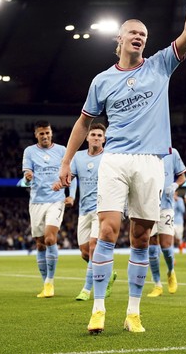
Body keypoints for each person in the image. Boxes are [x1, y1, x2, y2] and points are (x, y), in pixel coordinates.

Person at [56, 0, 186, 334]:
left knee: (140, 237)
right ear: (118, 40)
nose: (139, 38)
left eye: (144, 35)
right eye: (133, 33)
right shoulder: (102, 80)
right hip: (116, 158)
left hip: (151, 161)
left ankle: (133, 312)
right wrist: (65, 162)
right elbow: (82, 122)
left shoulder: (160, 65)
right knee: (107, 229)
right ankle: (99, 308)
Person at [22, 120, 74, 298]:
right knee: (40, 243)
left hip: (56, 201)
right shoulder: (29, 151)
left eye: (47, 133)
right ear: (36, 135)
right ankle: (45, 283)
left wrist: (70, 194)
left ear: (51, 133)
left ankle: (50, 282)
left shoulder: (62, 151)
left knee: (50, 239)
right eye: (41, 133)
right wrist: (28, 178)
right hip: (36, 201)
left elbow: (71, 175)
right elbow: (25, 181)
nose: (45, 136)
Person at [67, 123, 117, 301]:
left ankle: (87, 289)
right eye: (93, 135)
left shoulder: (109, 157)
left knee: (94, 247)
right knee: (84, 252)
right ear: (87, 137)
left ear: (104, 138)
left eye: (99, 135)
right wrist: (62, 187)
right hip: (84, 209)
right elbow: (70, 177)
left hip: (102, 208)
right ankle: (108, 273)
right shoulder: (78, 157)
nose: (96, 137)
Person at [146, 148, 186, 297]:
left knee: (166, 246)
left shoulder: (172, 152)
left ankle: (171, 272)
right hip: (148, 207)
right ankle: (157, 284)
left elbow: (182, 176)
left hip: (166, 207)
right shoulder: (145, 151)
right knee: (151, 247)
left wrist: (175, 185)